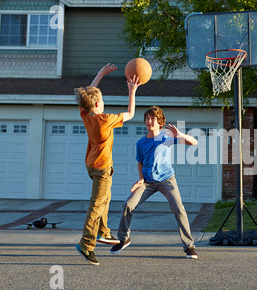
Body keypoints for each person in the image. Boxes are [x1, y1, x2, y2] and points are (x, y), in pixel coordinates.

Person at [74, 63, 141, 265]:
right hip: (102, 168)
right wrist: (132, 91)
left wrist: (100, 74)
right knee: (97, 204)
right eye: (101, 100)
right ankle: (86, 244)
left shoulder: (86, 114)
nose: (103, 102)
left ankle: (103, 232)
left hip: (92, 165)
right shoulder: (105, 120)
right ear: (96, 105)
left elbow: (88, 95)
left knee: (105, 198)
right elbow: (130, 114)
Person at [110, 106, 199, 259]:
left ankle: (189, 246)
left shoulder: (167, 137)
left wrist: (181, 135)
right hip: (147, 183)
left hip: (167, 180)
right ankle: (123, 239)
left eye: (153, 119)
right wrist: (141, 179)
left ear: (160, 122)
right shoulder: (141, 143)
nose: (149, 121)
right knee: (128, 205)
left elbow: (194, 142)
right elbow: (140, 162)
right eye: (147, 119)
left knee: (179, 209)